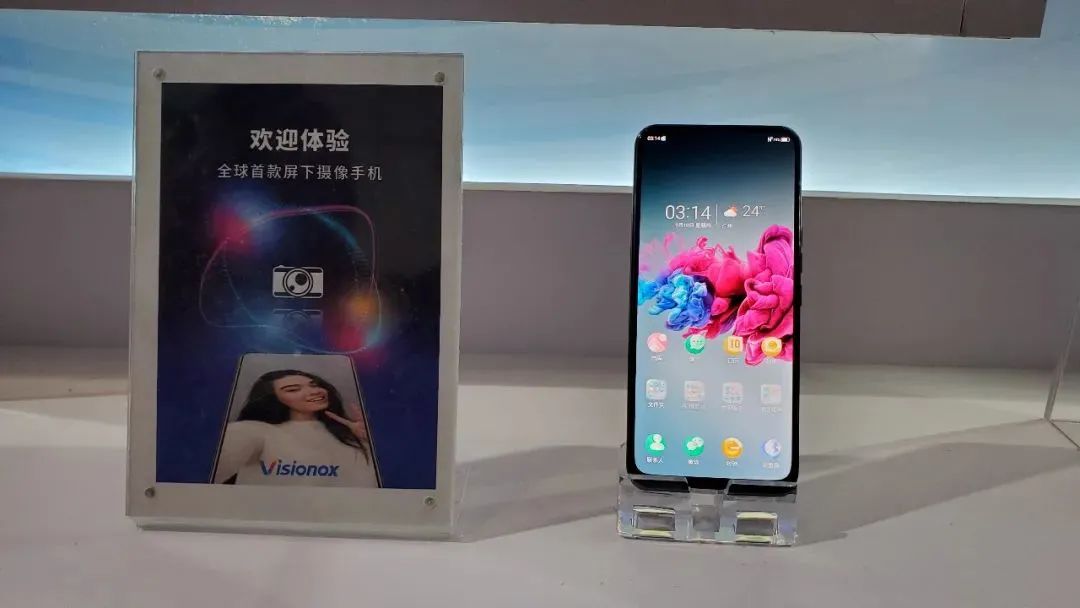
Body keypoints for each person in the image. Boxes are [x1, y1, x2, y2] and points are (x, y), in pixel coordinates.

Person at [213, 369, 378, 487]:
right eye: (293, 390)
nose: (314, 391)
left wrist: (376, 440)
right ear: (273, 399)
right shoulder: (255, 431)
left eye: (314, 385)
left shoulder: (353, 434)